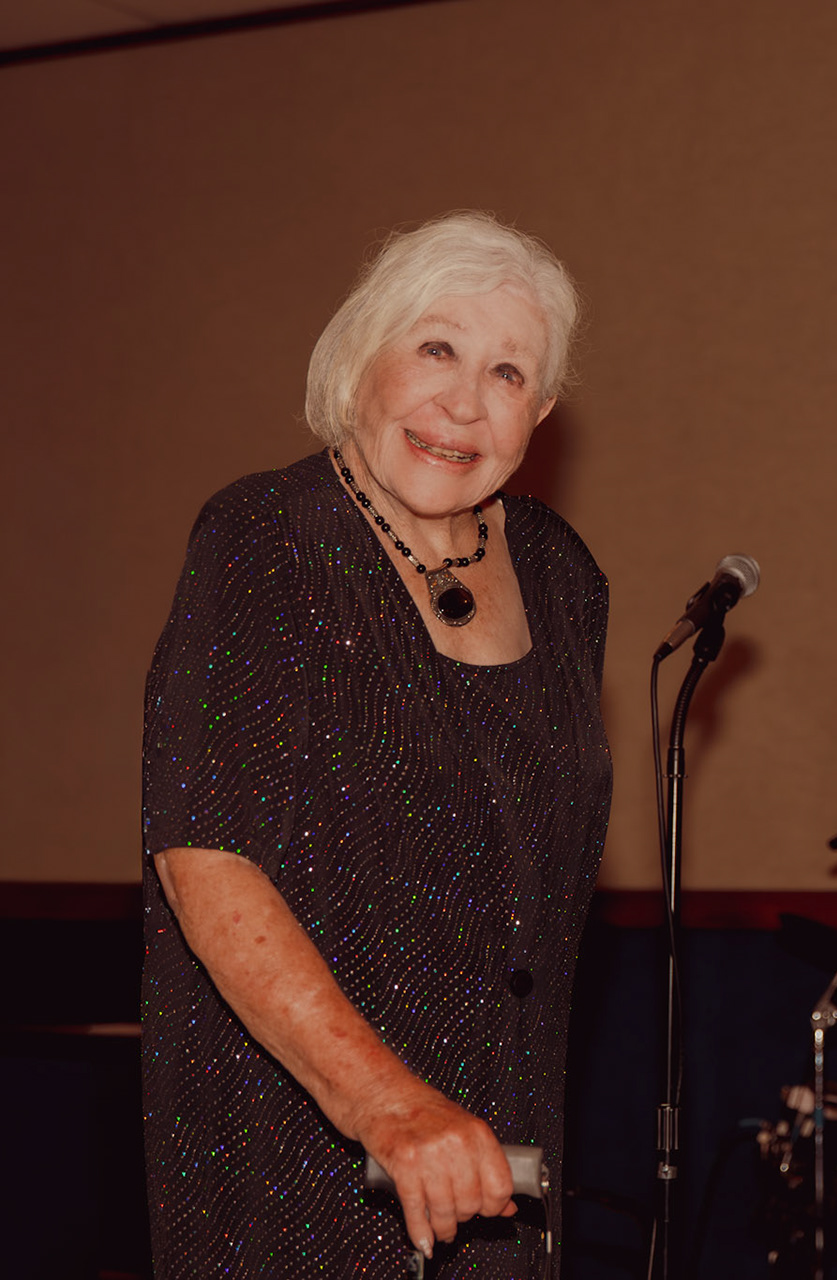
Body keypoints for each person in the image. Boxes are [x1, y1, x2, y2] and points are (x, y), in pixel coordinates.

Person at [141, 211, 611, 1276]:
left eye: (506, 372)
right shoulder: (266, 539)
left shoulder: (562, 574)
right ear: (360, 357)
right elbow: (204, 856)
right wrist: (388, 1103)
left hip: (502, 1164)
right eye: (436, 348)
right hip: (297, 1161)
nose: (464, 402)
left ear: (539, 412)